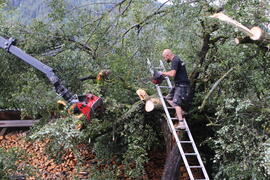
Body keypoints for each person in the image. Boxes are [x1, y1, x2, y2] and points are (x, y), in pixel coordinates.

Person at [161, 49, 190, 130]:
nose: (165, 59)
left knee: (176, 104)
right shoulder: (177, 59)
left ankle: (181, 123)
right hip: (178, 84)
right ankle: (180, 111)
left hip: (182, 85)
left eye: (164, 57)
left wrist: (162, 73)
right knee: (168, 98)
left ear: (168, 55)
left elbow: (172, 74)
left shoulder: (175, 60)